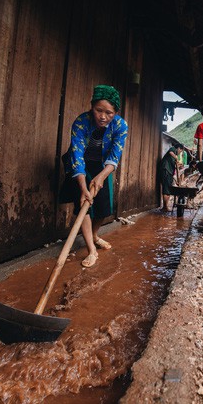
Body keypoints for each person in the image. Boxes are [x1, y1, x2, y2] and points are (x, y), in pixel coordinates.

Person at [61, 85, 128, 268]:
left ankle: (95, 234)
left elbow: (115, 156)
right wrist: (83, 187)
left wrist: (101, 177)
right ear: (92, 107)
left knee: (105, 206)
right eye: (99, 110)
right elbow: (76, 155)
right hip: (81, 165)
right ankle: (92, 249)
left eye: (109, 112)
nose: (103, 117)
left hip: (103, 166)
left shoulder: (120, 126)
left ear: (115, 112)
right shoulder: (81, 122)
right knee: (85, 204)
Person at [159, 143, 184, 211]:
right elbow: (170, 152)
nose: (179, 153)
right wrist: (176, 158)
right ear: (179, 148)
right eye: (180, 151)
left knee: (168, 190)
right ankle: (165, 207)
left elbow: (175, 167)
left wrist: (179, 165)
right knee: (166, 189)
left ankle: (165, 206)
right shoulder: (173, 149)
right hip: (166, 171)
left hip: (169, 173)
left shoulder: (174, 157)